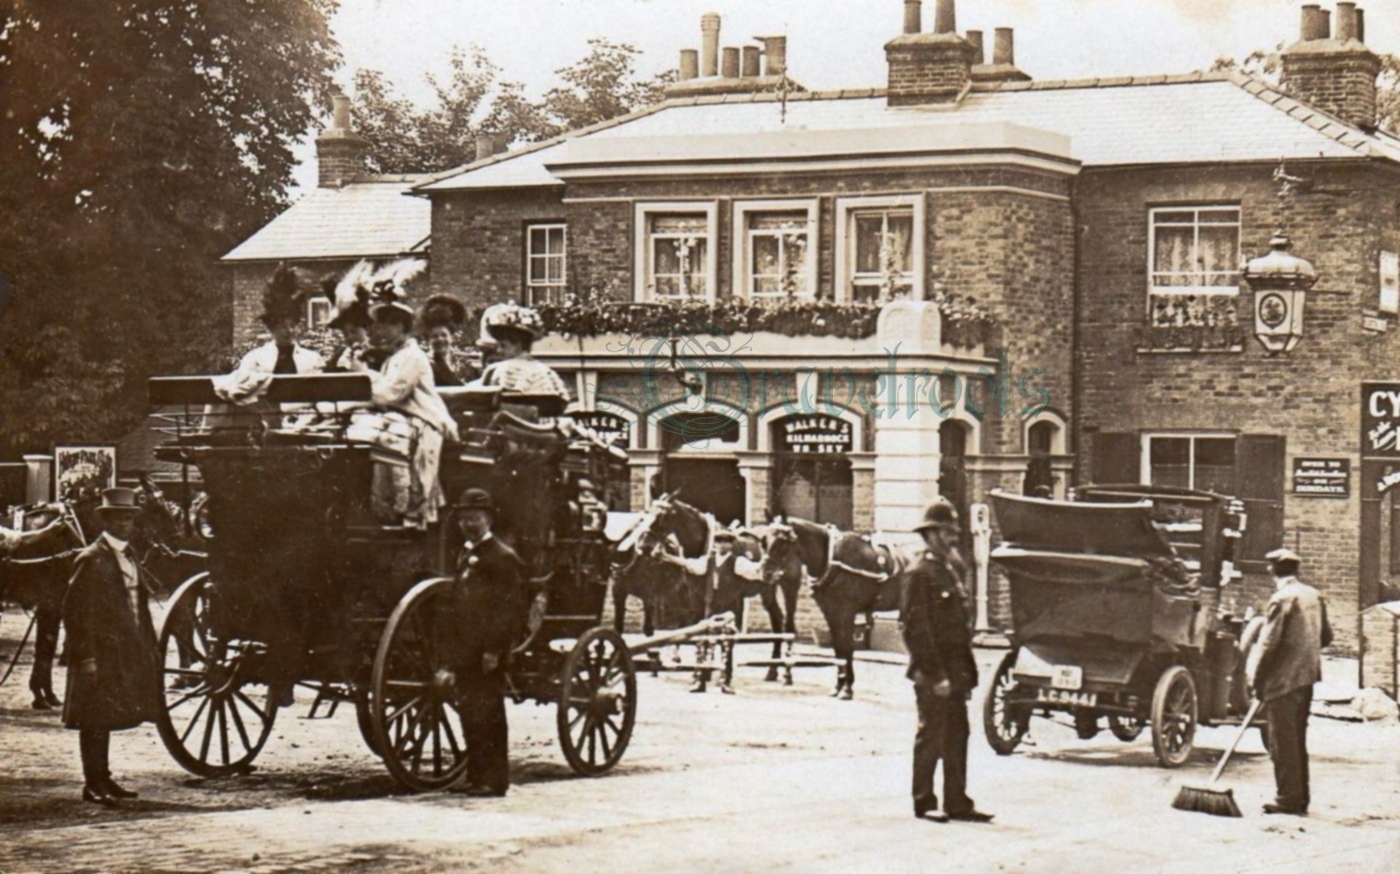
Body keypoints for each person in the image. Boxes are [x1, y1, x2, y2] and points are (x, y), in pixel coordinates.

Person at [61, 488, 161, 806]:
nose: (124, 523)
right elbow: (76, 613)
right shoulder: (91, 558)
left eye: (129, 517)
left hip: (123, 650)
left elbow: (139, 605)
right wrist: (85, 657)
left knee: (105, 715)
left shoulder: (129, 556)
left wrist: (148, 645)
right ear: (105, 520)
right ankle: (92, 783)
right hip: (98, 651)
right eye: (117, 517)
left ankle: (104, 777)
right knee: (93, 717)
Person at [900, 498, 993, 824]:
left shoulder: (948, 570)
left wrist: (963, 675)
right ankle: (924, 801)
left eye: (953, 532)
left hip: (955, 670)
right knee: (932, 736)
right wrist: (936, 674)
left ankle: (957, 801)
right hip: (933, 671)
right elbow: (917, 631)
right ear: (931, 534)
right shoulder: (919, 573)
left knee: (957, 735)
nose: (953, 538)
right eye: (946, 532)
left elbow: (960, 626)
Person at [435, 488, 527, 796]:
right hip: (467, 647)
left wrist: (493, 650)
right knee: (471, 714)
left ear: (488, 519)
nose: (468, 524)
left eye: (474, 518)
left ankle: (494, 780)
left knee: (488, 715)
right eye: (463, 519)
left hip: (486, 650)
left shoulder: (502, 557)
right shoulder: (467, 553)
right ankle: (476, 777)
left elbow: (509, 610)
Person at [1246, 547, 1333, 817]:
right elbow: (1327, 637)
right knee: (1296, 739)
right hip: (1306, 679)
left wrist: (1255, 680)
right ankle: (1300, 797)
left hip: (1282, 682)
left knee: (1282, 743)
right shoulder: (1312, 594)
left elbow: (1268, 645)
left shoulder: (1281, 599)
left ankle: (1287, 798)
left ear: (1271, 570)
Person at [366, 285, 459, 529]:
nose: (381, 330)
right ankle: (383, 505)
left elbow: (388, 395)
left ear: (400, 327)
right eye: (381, 324)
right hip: (402, 419)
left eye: (387, 324)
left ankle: (403, 507)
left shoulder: (413, 357)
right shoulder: (394, 357)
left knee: (390, 437)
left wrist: (359, 388)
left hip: (424, 420)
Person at [236, 262, 325, 375]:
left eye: (292, 325)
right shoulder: (254, 360)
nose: (289, 331)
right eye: (283, 326)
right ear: (272, 327)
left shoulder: (312, 360)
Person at [473, 303, 570, 399]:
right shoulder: (547, 371)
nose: (499, 350)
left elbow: (487, 400)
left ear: (517, 345)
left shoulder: (501, 369)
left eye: (503, 345)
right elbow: (562, 400)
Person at [420, 293, 473, 387]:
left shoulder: (463, 364)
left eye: (444, 335)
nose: (440, 339)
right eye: (434, 336)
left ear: (451, 338)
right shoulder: (424, 363)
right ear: (428, 340)